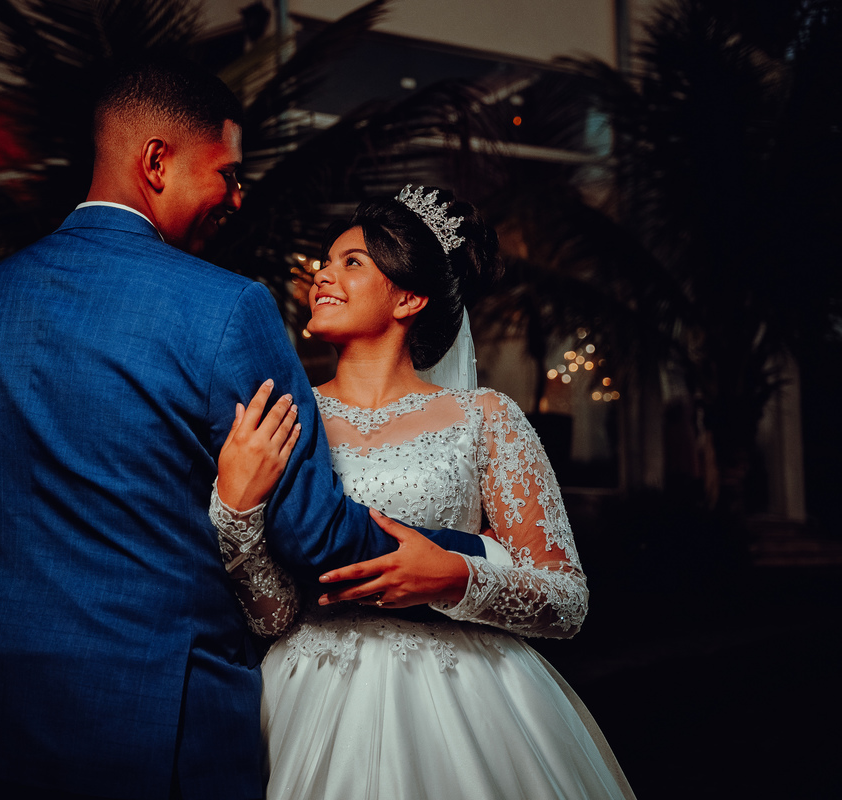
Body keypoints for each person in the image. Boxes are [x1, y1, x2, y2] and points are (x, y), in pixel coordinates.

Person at [0, 61, 487, 800]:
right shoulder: (225, 310)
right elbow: (310, 530)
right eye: (228, 175)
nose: (236, 199)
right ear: (156, 162)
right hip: (150, 723)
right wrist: (473, 556)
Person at [213, 186, 636, 799]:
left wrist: (453, 578)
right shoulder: (286, 421)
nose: (322, 275)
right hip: (307, 694)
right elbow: (273, 615)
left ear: (408, 298)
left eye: (351, 262)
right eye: (325, 262)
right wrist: (235, 512)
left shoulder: (485, 418)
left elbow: (567, 602)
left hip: (464, 700)